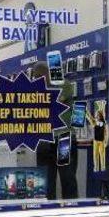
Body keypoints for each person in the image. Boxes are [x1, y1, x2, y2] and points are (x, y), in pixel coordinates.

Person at [31, 61, 79, 200]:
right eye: (35, 77)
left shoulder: (64, 85)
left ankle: (71, 215)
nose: (37, 79)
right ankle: (47, 214)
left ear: (48, 73)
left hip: (63, 139)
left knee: (67, 179)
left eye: (40, 75)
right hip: (44, 141)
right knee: (45, 183)